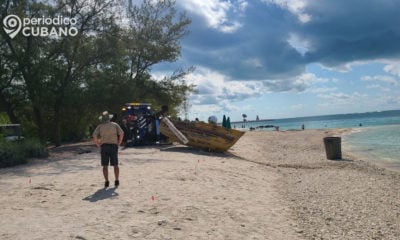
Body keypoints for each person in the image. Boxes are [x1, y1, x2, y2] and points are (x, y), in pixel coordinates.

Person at [92, 111, 124, 188]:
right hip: (113, 146)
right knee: (115, 165)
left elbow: (94, 135)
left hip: (104, 147)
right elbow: (122, 133)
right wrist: (119, 143)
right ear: (109, 118)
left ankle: (106, 181)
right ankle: (116, 180)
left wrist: (98, 144)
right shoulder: (115, 125)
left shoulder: (100, 126)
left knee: (105, 166)